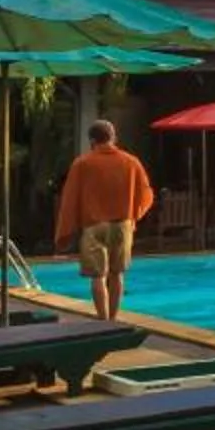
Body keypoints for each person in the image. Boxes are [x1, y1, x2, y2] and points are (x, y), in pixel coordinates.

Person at [54, 119, 155, 321]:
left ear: (92, 140)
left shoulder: (82, 164)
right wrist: (133, 215)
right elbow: (146, 195)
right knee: (117, 274)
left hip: (93, 226)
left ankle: (102, 319)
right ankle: (113, 319)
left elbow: (70, 198)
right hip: (121, 225)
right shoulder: (131, 162)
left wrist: (65, 231)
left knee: (98, 276)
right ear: (113, 137)